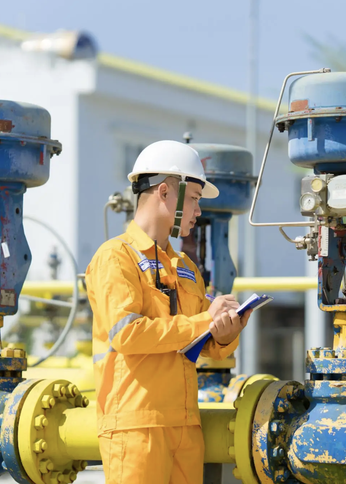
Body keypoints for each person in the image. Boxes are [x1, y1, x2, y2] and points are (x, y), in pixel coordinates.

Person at [85, 140, 249, 484]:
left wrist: (226, 332)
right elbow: (127, 334)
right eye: (194, 199)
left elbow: (202, 340)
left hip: (185, 426)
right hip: (135, 425)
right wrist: (206, 320)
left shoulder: (185, 266)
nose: (198, 211)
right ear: (164, 192)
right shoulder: (116, 257)